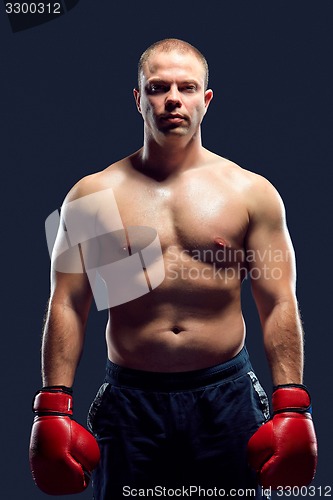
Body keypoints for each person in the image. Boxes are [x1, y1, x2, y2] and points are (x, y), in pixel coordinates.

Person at [29, 39, 317, 499]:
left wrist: (292, 403)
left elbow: (279, 300)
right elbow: (68, 302)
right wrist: (53, 407)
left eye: (186, 88)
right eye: (158, 87)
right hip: (131, 401)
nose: (172, 99)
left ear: (206, 100)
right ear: (138, 99)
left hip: (225, 396)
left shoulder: (250, 193)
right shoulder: (92, 195)